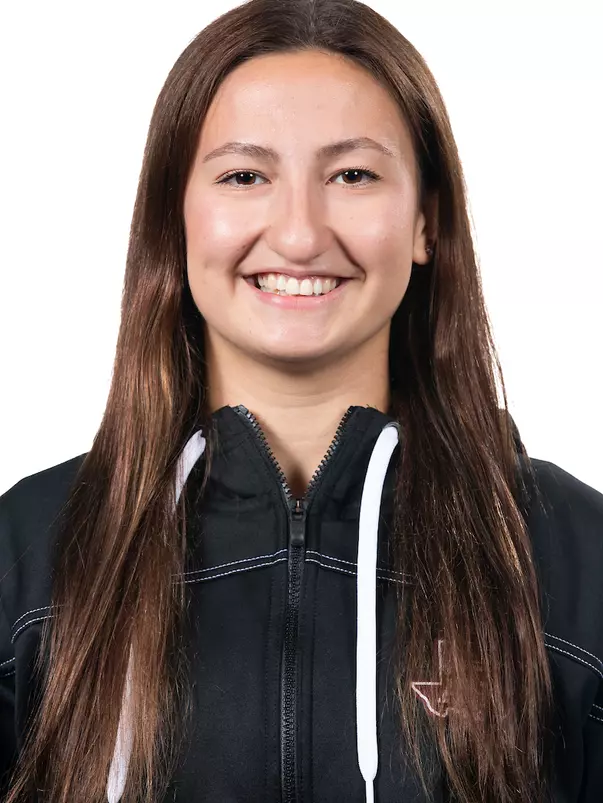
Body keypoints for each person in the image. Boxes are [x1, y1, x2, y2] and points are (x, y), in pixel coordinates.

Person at [1, 0, 602, 801]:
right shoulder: (30, 555)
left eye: (352, 175)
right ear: (175, 216)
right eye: (244, 176)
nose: (298, 233)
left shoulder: (573, 558)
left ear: (425, 220)